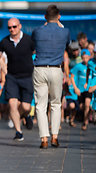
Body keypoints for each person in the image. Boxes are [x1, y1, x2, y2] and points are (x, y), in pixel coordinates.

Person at [31, 5, 70, 149]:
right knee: (56, 103)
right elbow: (67, 45)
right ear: (59, 16)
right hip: (56, 69)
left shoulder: (37, 31)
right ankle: (55, 136)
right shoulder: (65, 31)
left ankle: (44, 139)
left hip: (40, 69)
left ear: (45, 17)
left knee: (40, 105)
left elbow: (34, 43)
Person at [0, 17, 35, 141]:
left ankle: (26, 116)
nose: (12, 29)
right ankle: (18, 131)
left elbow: (38, 54)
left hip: (27, 77)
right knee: (12, 104)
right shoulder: (5, 41)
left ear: (20, 26)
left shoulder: (29, 40)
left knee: (26, 107)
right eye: (9, 27)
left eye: (14, 26)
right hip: (12, 77)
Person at [70, 49, 91, 130]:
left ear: (89, 57)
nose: (85, 59)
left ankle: (85, 122)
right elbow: (72, 76)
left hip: (88, 89)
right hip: (80, 90)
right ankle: (79, 118)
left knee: (87, 104)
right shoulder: (78, 66)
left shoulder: (92, 66)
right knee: (81, 106)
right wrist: (75, 88)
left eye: (87, 57)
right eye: (83, 58)